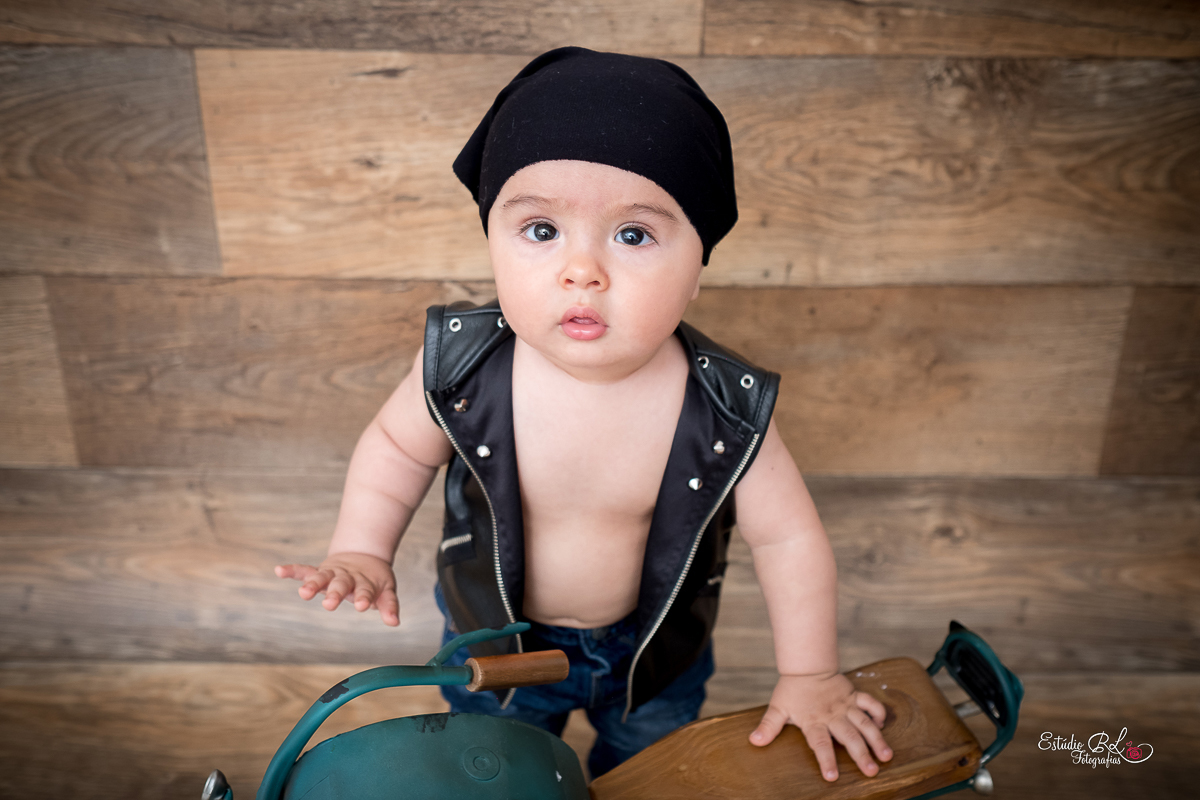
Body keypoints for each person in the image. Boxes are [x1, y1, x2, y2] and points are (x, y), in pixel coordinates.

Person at [276, 47, 892, 781]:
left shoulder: (723, 407)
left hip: (650, 660)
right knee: (493, 773)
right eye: (541, 231)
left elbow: (789, 539)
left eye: (633, 235)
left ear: (699, 265)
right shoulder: (462, 365)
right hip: (498, 647)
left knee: (648, 779)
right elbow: (396, 449)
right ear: (492, 241)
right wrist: (361, 548)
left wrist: (810, 675)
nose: (582, 270)